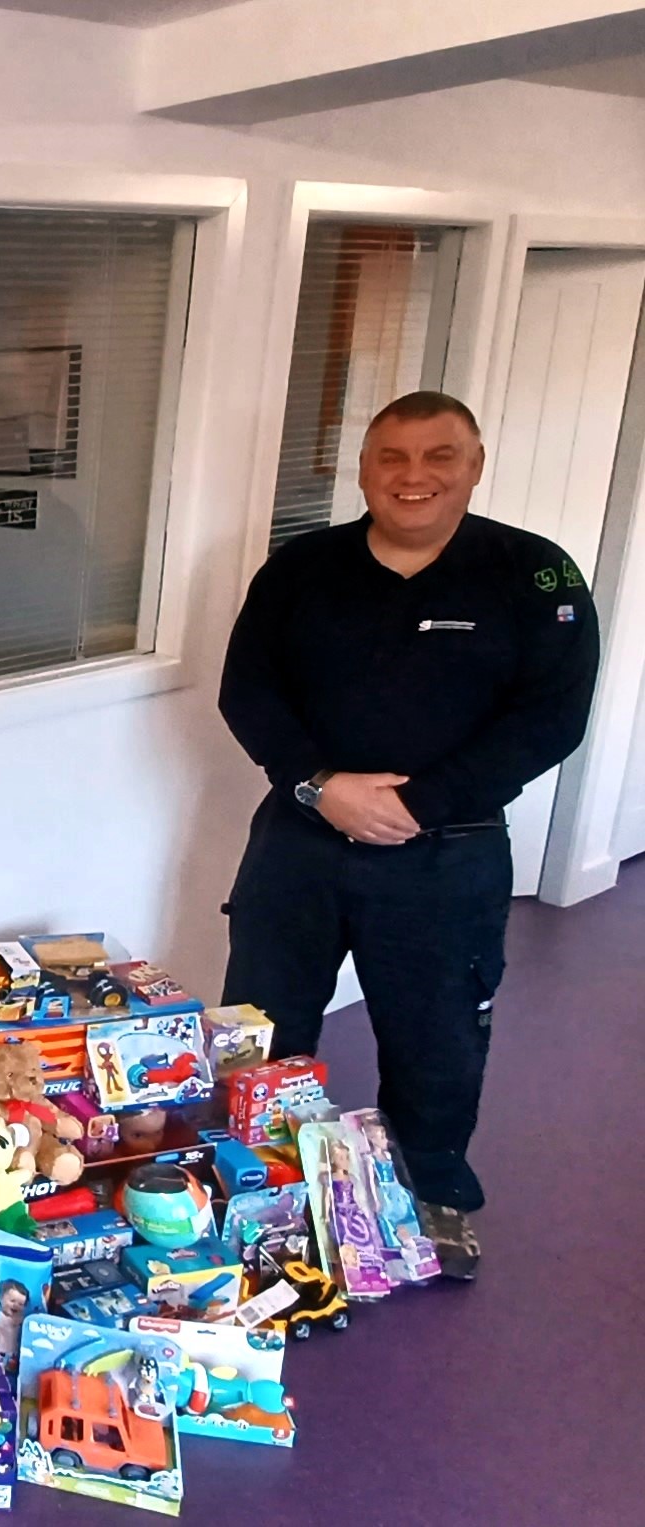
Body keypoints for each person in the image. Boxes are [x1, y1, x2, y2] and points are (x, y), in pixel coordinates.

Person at [218, 390, 599, 1278]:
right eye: (392, 456)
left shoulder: (535, 574)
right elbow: (249, 691)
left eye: (439, 455)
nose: (414, 475)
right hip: (301, 839)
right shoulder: (302, 568)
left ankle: (433, 1193)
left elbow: (550, 718)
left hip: (448, 852)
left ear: (475, 464)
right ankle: (257, 1184)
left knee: (438, 1036)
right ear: (364, 468)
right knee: (261, 1026)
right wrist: (319, 785)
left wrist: (419, 804)